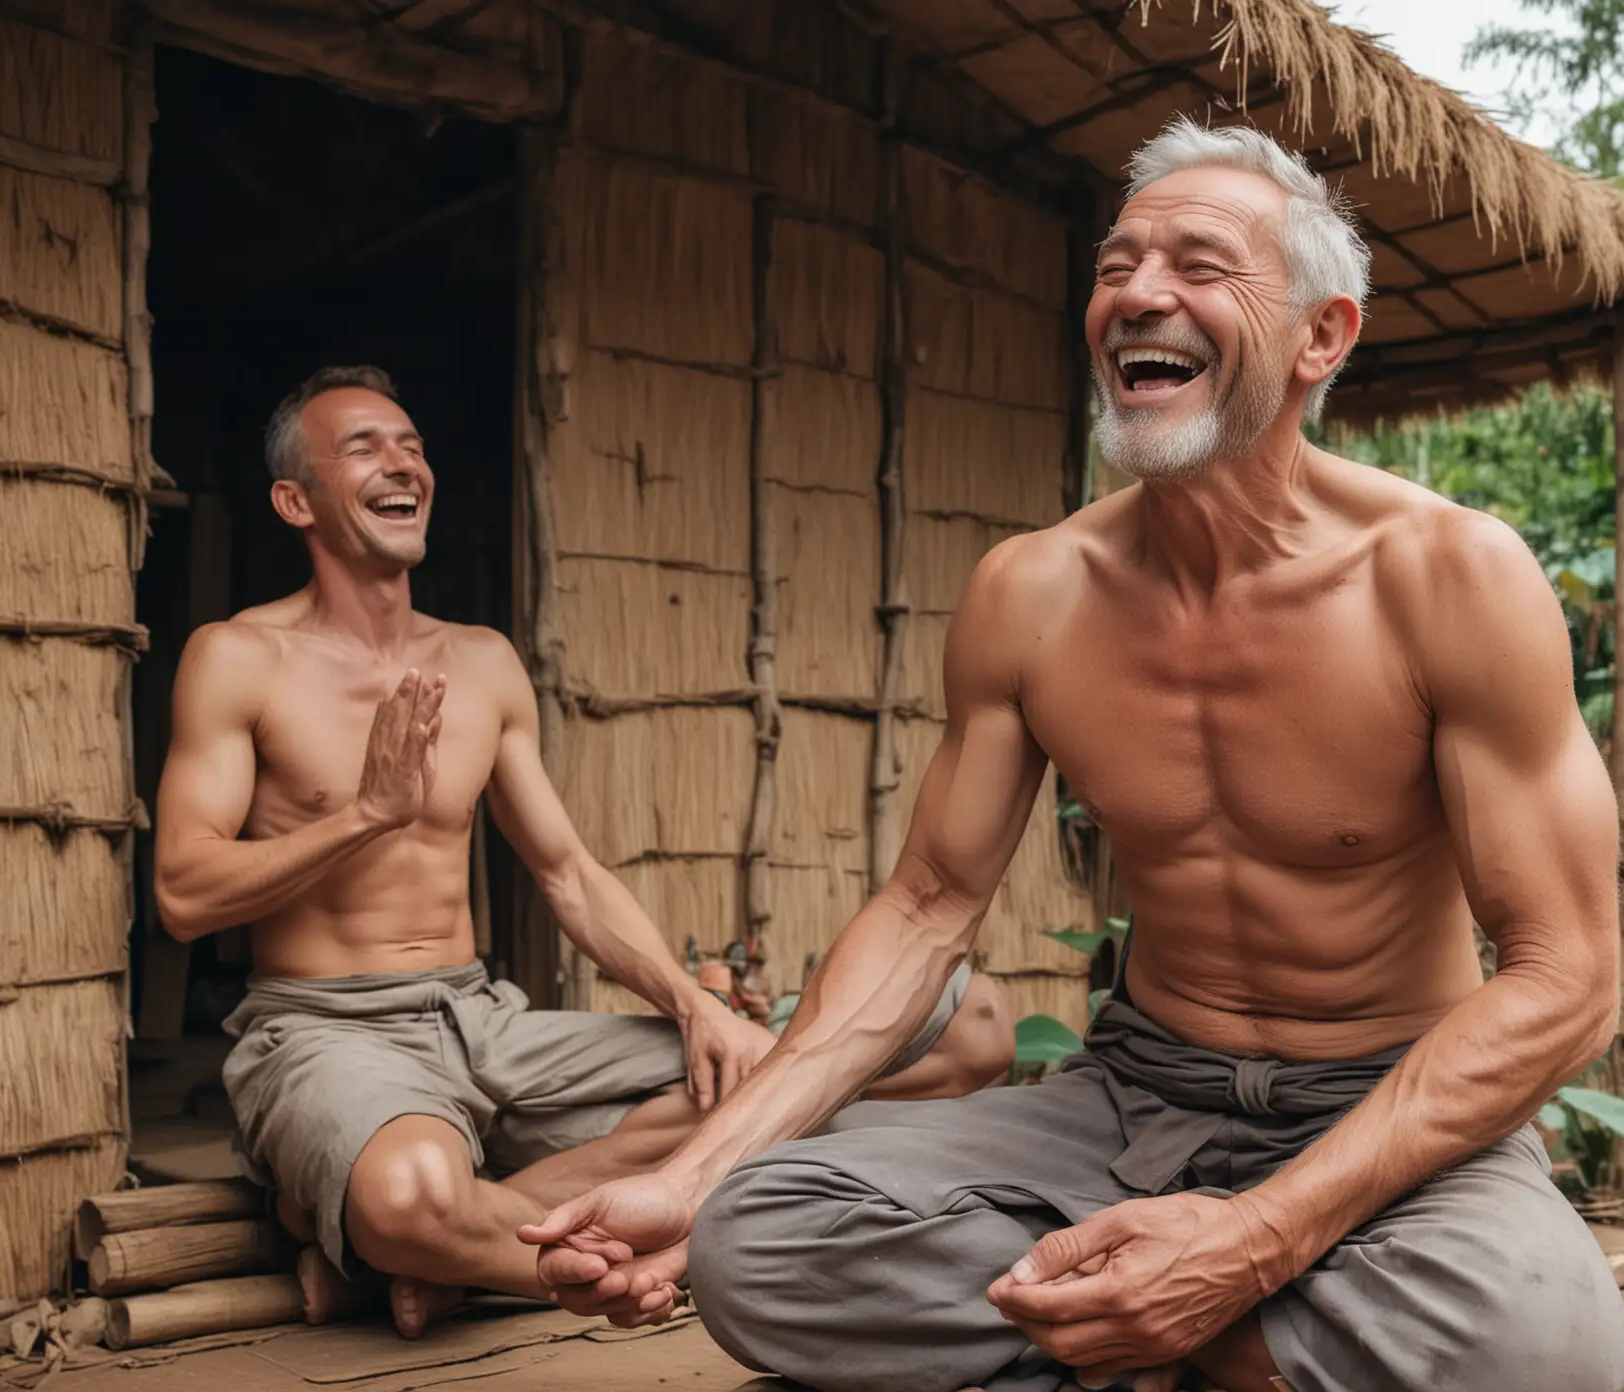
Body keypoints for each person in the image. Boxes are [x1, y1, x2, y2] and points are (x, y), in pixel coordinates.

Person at [520, 118, 1624, 1392]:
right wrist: (692, 1172)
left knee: (1544, 1343)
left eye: (1202, 266)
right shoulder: (1034, 593)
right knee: (759, 1241)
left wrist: (1251, 1242)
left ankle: (1154, 1322)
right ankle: (1199, 1332)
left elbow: (1565, 980)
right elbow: (930, 907)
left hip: (1388, 1107)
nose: (1139, 295)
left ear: (1321, 336)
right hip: (1130, 1101)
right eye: (1117, 266)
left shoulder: (1448, 577)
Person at [148, 365, 1014, 1339]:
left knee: (959, 1029)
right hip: (323, 1031)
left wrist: (695, 1010)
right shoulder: (239, 658)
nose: (402, 463)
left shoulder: (481, 662)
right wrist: (365, 814)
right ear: (294, 499)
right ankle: (503, 1238)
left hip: (487, 1023)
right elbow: (184, 893)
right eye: (363, 447)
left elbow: (567, 874)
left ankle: (449, 1256)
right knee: (406, 1196)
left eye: (412, 445)